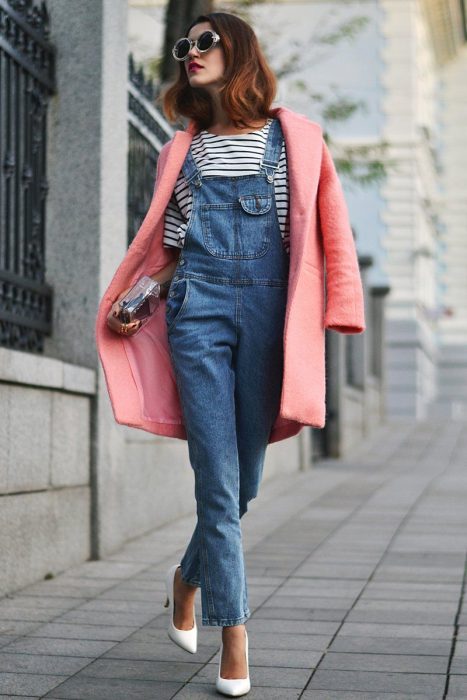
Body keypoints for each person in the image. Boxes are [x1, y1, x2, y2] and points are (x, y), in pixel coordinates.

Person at [96, 10, 366, 697]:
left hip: (271, 316)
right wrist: (141, 296)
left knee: (241, 485)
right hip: (198, 313)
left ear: (238, 51)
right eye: (184, 45)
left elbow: (330, 231)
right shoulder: (182, 150)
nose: (190, 52)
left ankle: (186, 579)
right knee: (215, 485)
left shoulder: (296, 138)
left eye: (204, 42)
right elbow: (174, 246)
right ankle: (234, 635)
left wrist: (342, 310)